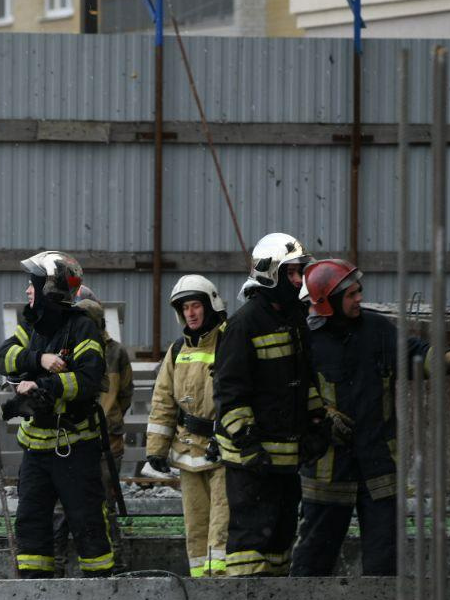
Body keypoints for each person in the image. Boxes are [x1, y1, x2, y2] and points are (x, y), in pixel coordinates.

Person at [291, 259, 450, 576]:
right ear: (329, 301)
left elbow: (414, 354)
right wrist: (322, 416)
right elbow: (289, 397)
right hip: (327, 472)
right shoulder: (307, 343)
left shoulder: (377, 330)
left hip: (378, 472)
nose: (358, 299)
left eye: (358, 292)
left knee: (384, 566)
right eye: (351, 295)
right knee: (311, 565)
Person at [213, 233, 328, 577]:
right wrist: (248, 445)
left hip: (285, 460)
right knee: (250, 546)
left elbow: (304, 382)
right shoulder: (243, 325)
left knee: (279, 543)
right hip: (252, 462)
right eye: (290, 273)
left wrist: (317, 422)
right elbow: (230, 393)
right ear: (269, 274)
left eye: (299, 273)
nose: (297, 280)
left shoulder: (294, 320)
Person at [0, 250, 112, 578]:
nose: (27, 291)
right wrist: (40, 360)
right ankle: (36, 594)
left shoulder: (82, 328)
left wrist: (46, 387)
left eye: (32, 284)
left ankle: (102, 594)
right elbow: (3, 356)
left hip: (74, 449)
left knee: (88, 526)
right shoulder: (32, 328)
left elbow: (90, 379)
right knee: (31, 527)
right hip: (36, 451)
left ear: (49, 287)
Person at [146, 276, 229, 577]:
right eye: (185, 308)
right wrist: (156, 450)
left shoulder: (228, 341)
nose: (191, 313)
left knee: (221, 529)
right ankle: (200, 586)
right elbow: (163, 400)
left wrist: (228, 433)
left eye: (196, 306)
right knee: (196, 528)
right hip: (188, 453)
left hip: (222, 453)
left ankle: (220, 583)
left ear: (210, 306)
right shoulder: (177, 349)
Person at [52, 297, 133, 573]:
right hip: (73, 441)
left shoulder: (116, 353)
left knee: (104, 505)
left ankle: (116, 565)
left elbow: (124, 395)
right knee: (64, 507)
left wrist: (108, 419)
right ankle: (56, 565)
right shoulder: (65, 349)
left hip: (106, 443)